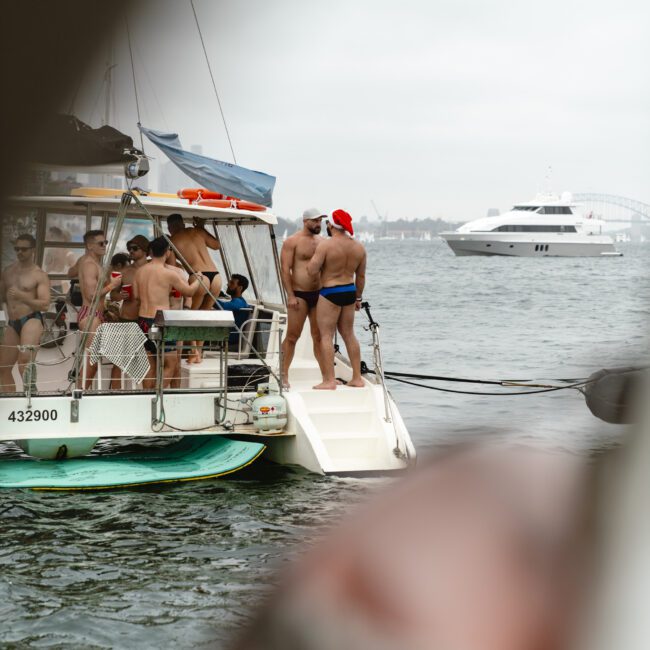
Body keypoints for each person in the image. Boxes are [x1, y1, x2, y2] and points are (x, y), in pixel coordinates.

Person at [133, 236, 204, 389]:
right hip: (161, 321)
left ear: (151, 252)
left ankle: (147, 397)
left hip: (143, 320)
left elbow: (137, 296)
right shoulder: (169, 274)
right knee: (170, 363)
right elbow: (189, 292)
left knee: (150, 364)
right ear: (167, 252)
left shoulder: (139, 272)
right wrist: (198, 278)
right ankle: (156, 394)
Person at [307, 209, 366, 390]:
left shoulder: (326, 245)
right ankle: (357, 378)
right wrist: (358, 298)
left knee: (326, 335)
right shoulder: (359, 247)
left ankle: (329, 380)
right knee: (349, 334)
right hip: (349, 290)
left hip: (330, 292)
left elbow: (312, 270)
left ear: (331, 225)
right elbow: (361, 277)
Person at [279, 208, 328, 388]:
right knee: (292, 336)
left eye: (320, 221)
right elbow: (285, 270)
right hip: (299, 295)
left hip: (320, 294)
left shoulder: (323, 242)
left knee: (319, 337)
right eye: (315, 220)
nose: (318, 224)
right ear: (305, 221)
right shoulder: (292, 241)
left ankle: (327, 377)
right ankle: (283, 375)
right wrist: (290, 295)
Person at [167, 213, 222, 363]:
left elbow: (172, 267)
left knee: (191, 317)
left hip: (198, 276)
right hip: (216, 277)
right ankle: (199, 353)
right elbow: (217, 245)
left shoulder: (171, 241)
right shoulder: (198, 231)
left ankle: (193, 353)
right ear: (183, 224)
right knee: (204, 317)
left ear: (170, 228)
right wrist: (202, 227)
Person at [0, 234, 51, 392]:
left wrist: (23, 297)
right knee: (3, 368)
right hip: (12, 322)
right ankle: (12, 402)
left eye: (24, 249)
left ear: (33, 250)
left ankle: (31, 398)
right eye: (17, 249)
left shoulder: (39, 274)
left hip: (32, 319)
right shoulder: (7, 272)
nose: (20, 252)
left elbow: (45, 304)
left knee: (25, 362)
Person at [75, 229, 121, 388]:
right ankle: (79, 395)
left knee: (93, 360)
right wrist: (112, 285)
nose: (104, 245)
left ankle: (81, 393)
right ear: (90, 246)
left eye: (106, 242)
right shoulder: (88, 265)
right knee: (92, 361)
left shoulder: (96, 264)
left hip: (98, 314)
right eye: (100, 243)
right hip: (90, 315)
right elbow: (91, 296)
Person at [108, 236, 150, 388]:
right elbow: (113, 294)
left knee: (149, 359)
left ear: (145, 250)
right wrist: (120, 296)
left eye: (134, 248)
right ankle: (114, 393)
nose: (131, 251)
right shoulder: (126, 271)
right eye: (129, 248)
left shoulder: (154, 268)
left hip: (148, 318)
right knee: (119, 360)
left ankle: (147, 394)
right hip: (128, 318)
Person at [215, 274, 251, 347]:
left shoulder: (239, 302)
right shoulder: (237, 301)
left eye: (232, 283)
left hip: (229, 340)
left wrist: (210, 298)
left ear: (240, 288)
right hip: (224, 336)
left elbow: (223, 306)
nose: (228, 284)